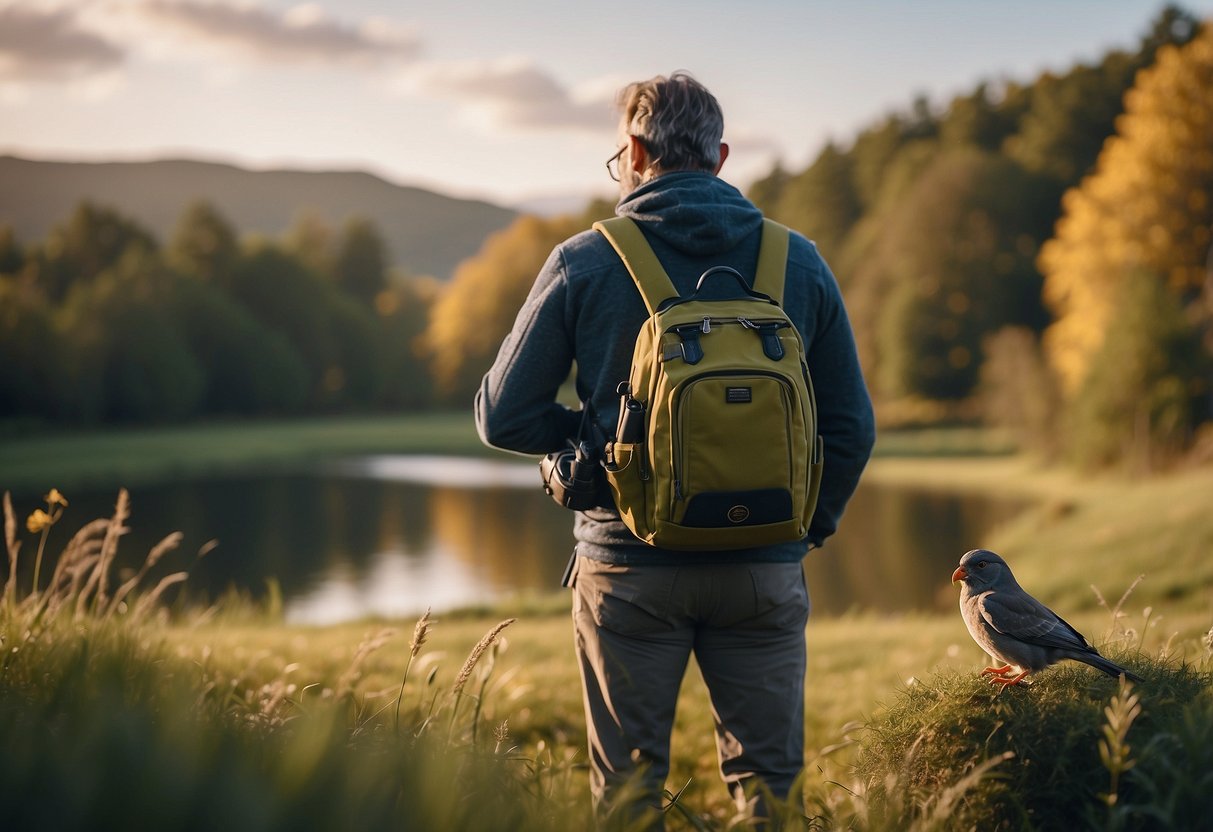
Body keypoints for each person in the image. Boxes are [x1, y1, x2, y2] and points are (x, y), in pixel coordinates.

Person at [475, 72, 875, 828]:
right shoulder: (797, 261)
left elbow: (501, 416)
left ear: (632, 150)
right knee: (770, 789)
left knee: (627, 794)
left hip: (627, 569)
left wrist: (596, 443)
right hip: (762, 566)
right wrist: (802, 530)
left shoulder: (583, 260)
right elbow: (850, 428)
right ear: (719, 155)